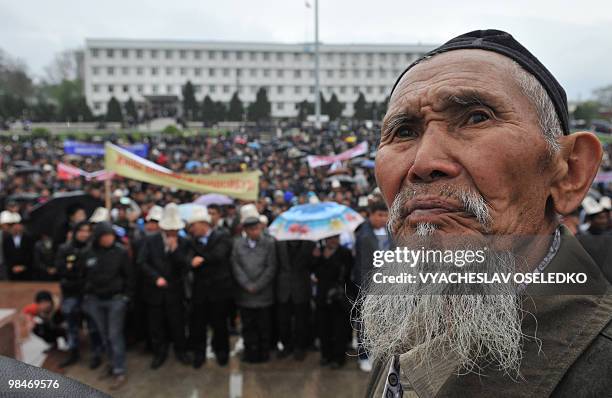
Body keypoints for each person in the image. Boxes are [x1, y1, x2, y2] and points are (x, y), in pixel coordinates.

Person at [364, 29, 612, 397]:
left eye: (476, 118)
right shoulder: (401, 324)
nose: (423, 162)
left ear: (569, 173)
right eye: (403, 131)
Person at [80, 222, 133, 391]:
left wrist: (126, 297)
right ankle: (111, 363)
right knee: (104, 335)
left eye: (111, 236)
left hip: (115, 300)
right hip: (95, 300)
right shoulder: (88, 253)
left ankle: (119, 370)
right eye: (105, 236)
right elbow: (82, 275)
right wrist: (87, 294)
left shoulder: (120, 252)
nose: (108, 239)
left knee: (114, 335)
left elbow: (130, 276)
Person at [137, 203, 191, 369]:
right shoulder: (150, 240)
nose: (172, 233)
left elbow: (186, 266)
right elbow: (142, 262)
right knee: (156, 325)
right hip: (155, 291)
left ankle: (181, 351)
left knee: (178, 324)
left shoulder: (184, 242)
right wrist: (156, 278)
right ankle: (159, 353)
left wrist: (175, 252)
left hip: (175, 291)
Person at [187, 206, 233, 368]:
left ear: (203, 225)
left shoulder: (222, 236)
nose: (191, 229)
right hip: (200, 291)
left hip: (219, 290)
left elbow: (219, 256)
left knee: (220, 324)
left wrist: (201, 259)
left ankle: (222, 352)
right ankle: (199, 354)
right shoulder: (191, 241)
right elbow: (188, 261)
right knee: (198, 325)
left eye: (194, 226)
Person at [231, 208, 277, 363]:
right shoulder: (238, 244)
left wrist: (258, 285)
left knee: (264, 326)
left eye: (257, 228)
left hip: (264, 294)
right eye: (252, 229)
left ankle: (264, 353)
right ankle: (249, 352)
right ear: (245, 230)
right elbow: (236, 266)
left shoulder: (269, 243)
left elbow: (271, 267)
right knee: (248, 326)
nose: (255, 231)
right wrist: (246, 284)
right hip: (245, 294)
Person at [55, 221, 103, 369]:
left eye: (87, 231)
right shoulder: (65, 249)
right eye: (81, 231)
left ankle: (96, 354)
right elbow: (61, 269)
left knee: (93, 326)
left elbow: (96, 272)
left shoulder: (94, 249)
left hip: (89, 293)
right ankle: (73, 352)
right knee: (71, 326)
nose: (84, 234)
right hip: (71, 293)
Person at [353, 201, 388, 372]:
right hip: (368, 285)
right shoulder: (364, 235)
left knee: (382, 320)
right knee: (365, 322)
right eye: (380, 215)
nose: (383, 219)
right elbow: (362, 266)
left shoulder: (390, 232)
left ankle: (378, 350)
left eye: (386, 215)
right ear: (371, 215)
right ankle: (364, 355)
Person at [312, 235, 353, 369]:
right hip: (322, 296)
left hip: (338, 297)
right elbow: (315, 272)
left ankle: (338, 357)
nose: (333, 240)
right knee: (323, 328)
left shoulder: (345, 253)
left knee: (339, 329)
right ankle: (326, 355)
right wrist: (317, 257)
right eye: (330, 238)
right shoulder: (319, 252)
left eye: (336, 237)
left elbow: (347, 274)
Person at [275, 239, 315, 360]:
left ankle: (300, 347)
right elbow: (276, 264)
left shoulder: (309, 244)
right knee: (283, 321)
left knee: (301, 321)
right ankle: (286, 345)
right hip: (283, 288)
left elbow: (313, 265)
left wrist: (315, 256)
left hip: (301, 287)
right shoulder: (279, 243)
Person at [2, 212, 34, 280]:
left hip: (26, 270)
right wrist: (12, 267)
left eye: (18, 224)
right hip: (12, 270)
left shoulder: (28, 239)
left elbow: (30, 253)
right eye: (14, 225)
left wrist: (23, 266)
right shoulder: (7, 240)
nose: (16, 227)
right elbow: (6, 254)